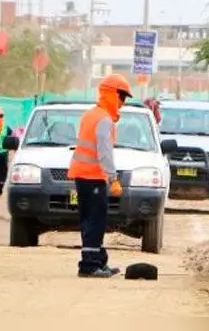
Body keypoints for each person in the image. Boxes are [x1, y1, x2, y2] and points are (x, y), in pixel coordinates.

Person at [67, 73, 134, 278]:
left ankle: (97, 260)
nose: (122, 103)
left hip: (83, 176)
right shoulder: (104, 119)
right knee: (95, 220)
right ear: (113, 95)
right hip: (93, 177)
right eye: (122, 97)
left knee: (90, 219)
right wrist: (113, 178)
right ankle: (89, 265)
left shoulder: (91, 114)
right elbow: (104, 152)